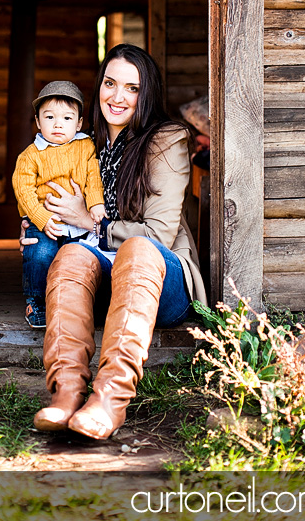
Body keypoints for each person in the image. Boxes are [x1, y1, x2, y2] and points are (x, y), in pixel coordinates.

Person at [23, 44, 208, 440]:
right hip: (105, 281)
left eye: (132, 88)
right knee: (73, 254)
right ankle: (66, 393)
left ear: (148, 94)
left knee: (137, 248)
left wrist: (90, 220)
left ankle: (110, 399)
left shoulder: (167, 139)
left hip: (159, 279)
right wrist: (40, 223)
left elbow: (158, 233)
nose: (117, 96)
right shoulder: (80, 144)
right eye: (110, 83)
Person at [12, 80, 105, 329]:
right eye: (50, 117)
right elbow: (24, 192)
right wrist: (41, 219)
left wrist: (96, 204)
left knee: (75, 261)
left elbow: (93, 176)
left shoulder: (85, 147)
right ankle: (37, 302)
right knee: (41, 255)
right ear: (38, 121)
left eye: (66, 118)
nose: (57, 124)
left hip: (78, 222)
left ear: (78, 123)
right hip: (45, 219)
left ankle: (73, 303)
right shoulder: (30, 155)